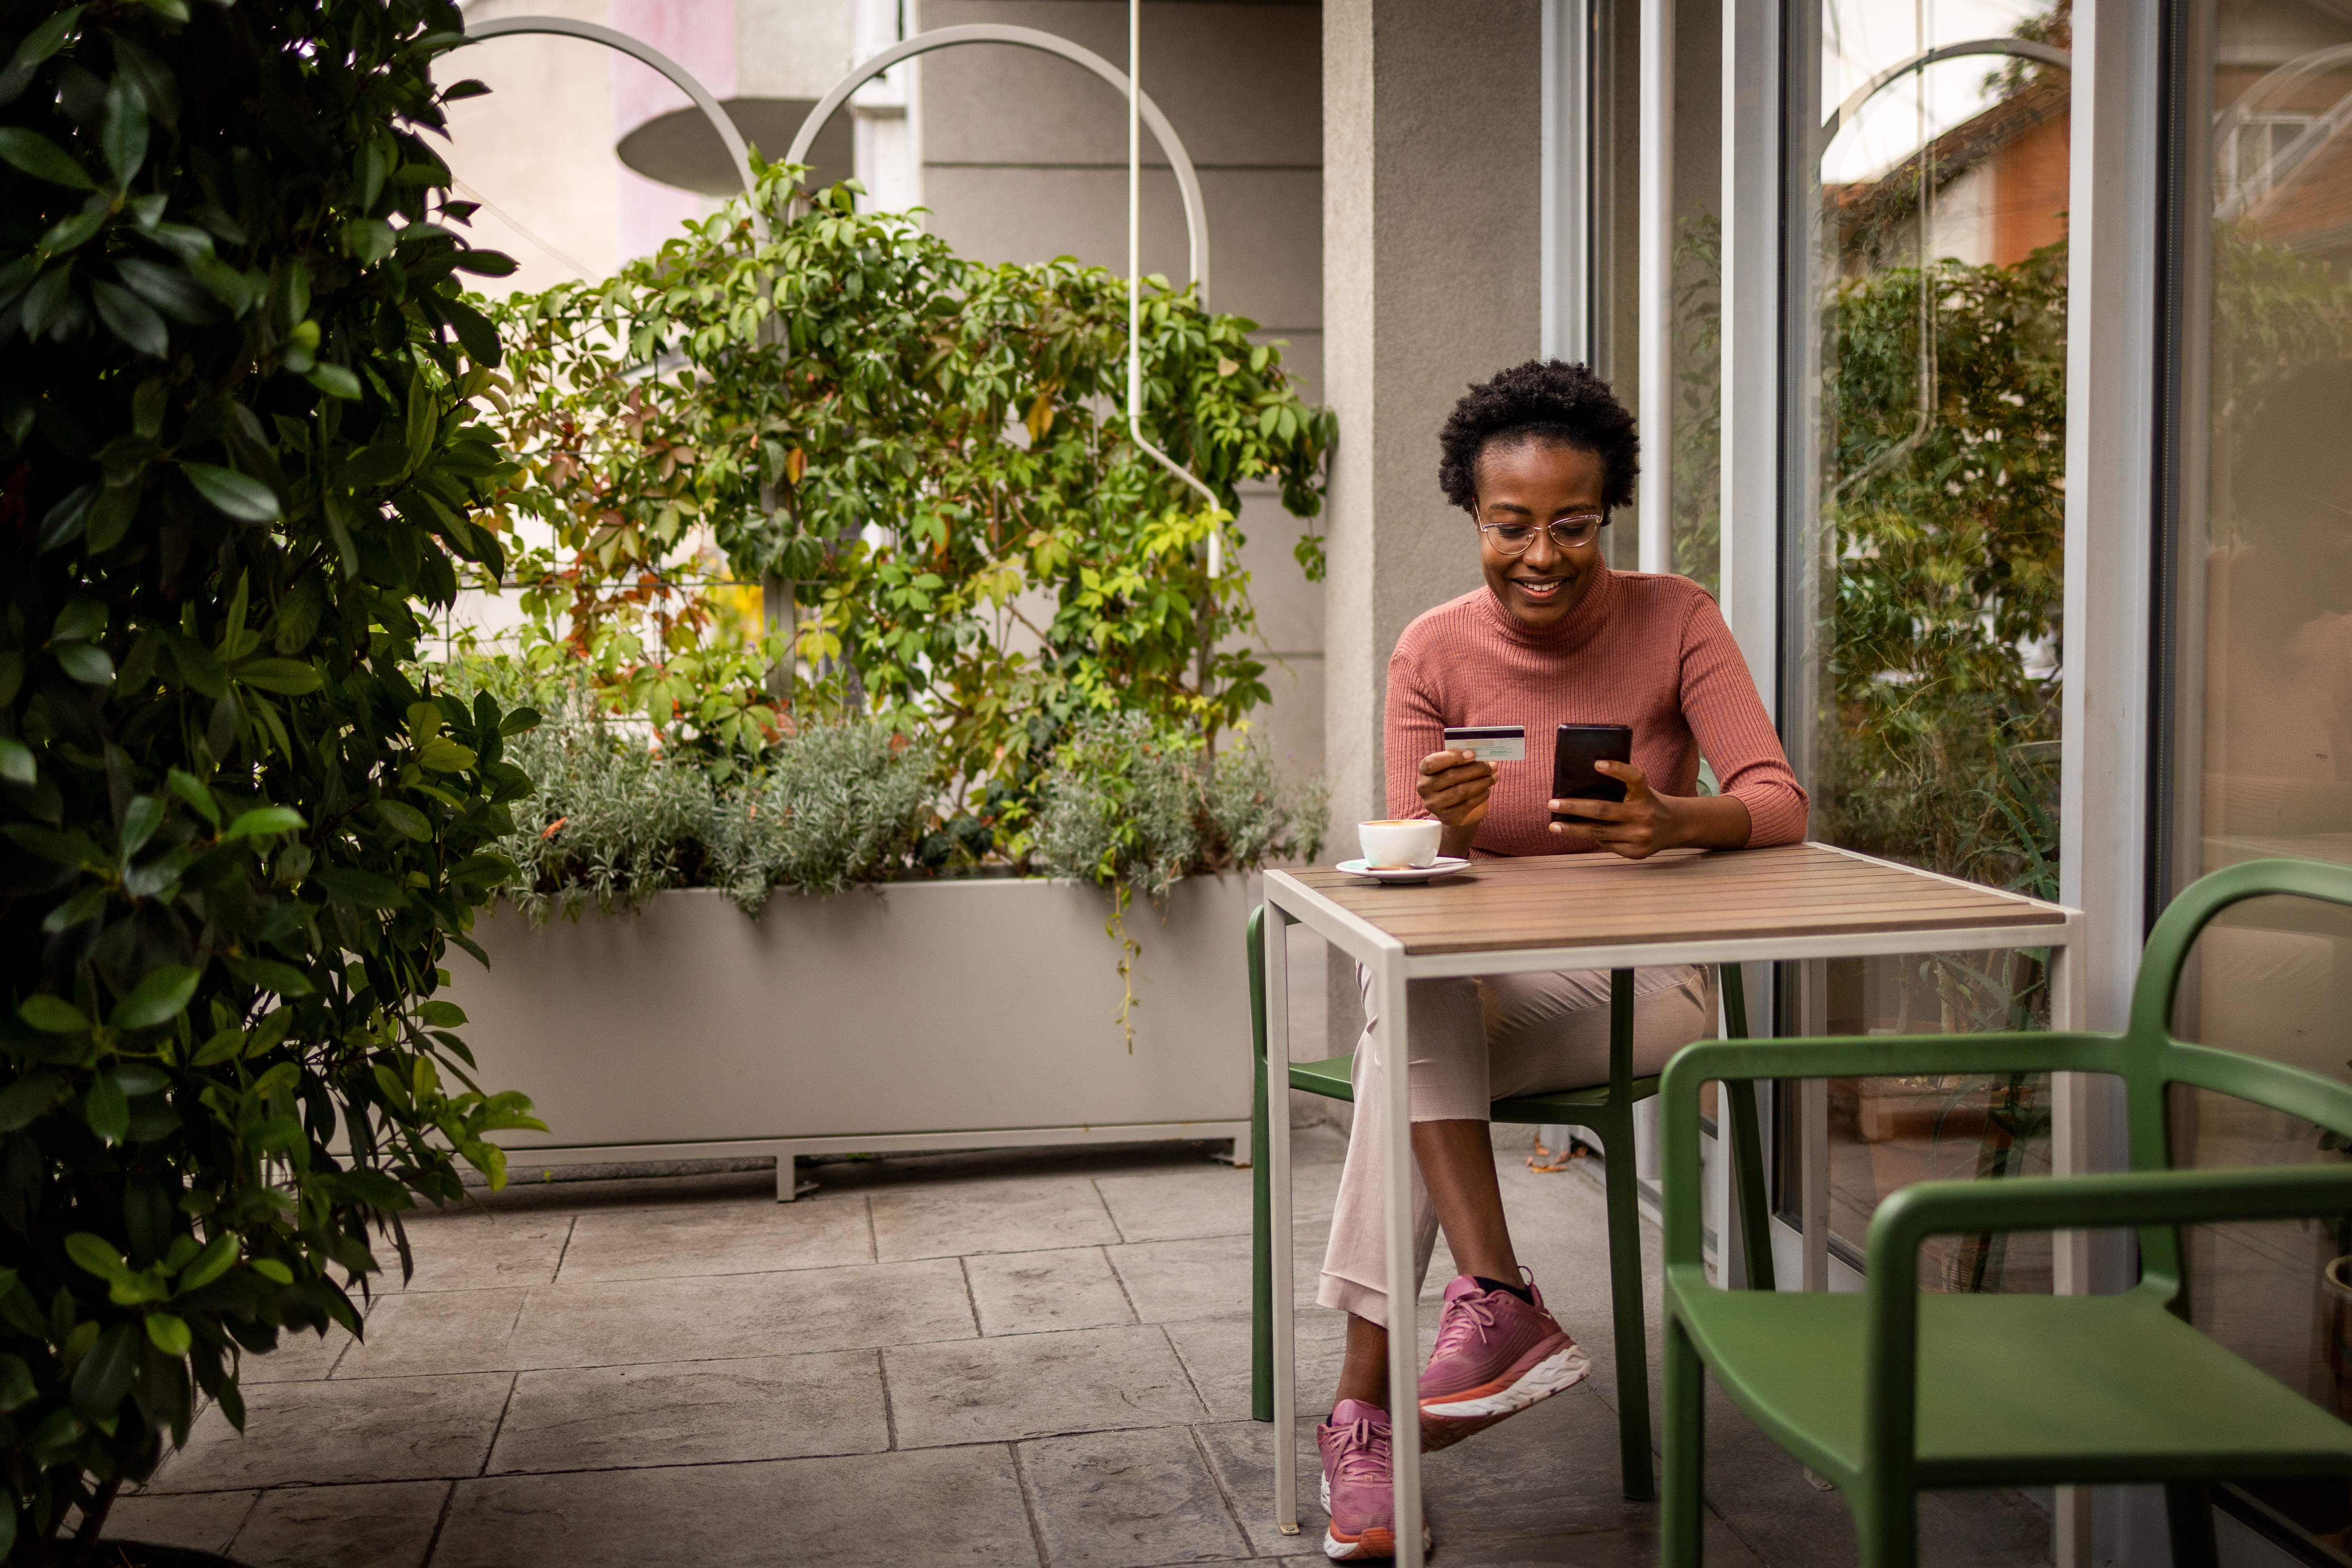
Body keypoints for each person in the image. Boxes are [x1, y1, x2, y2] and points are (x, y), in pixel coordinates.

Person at [1315, 360, 1808, 1560]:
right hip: (1486, 991)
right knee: (1411, 994)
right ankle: (1489, 1300)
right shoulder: (1429, 652)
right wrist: (1451, 820)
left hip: (1649, 990)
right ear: (1472, 520)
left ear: (1608, 516)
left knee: (1401, 1033)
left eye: (1572, 524)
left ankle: (1366, 1406)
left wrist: (1673, 822)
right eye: (1511, 525)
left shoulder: (1677, 618)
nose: (1541, 555)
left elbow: (1777, 798)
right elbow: (1413, 877)